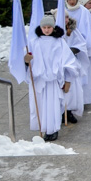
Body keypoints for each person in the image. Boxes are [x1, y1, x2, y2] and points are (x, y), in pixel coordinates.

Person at [22, 14, 78, 142]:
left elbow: (68, 61)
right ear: (40, 28)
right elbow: (27, 58)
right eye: (44, 27)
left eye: (49, 27)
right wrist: (27, 60)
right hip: (39, 79)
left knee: (52, 105)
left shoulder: (59, 42)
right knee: (40, 104)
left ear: (53, 28)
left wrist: (68, 79)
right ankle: (43, 127)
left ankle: (52, 129)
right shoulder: (34, 42)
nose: (46, 30)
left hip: (53, 81)